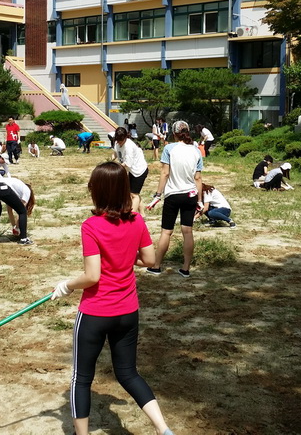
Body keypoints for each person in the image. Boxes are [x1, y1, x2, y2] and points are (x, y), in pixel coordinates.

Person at [50, 162, 174, 435]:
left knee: (81, 379)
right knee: (129, 373)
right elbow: (150, 260)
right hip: (128, 312)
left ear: (97, 191)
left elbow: (92, 276)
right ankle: (164, 429)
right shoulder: (137, 220)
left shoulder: (91, 225)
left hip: (96, 312)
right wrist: (127, 257)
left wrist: (67, 286)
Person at [146, 120, 203, 278]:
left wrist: (157, 195)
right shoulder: (196, 150)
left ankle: (156, 266)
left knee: (166, 232)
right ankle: (185, 269)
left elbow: (165, 173)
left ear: (174, 132)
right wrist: (199, 200)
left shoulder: (169, 148)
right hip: (191, 195)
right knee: (187, 231)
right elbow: (198, 178)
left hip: (173, 194)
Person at [0, 176, 35, 245]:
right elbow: (21, 211)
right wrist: (17, 228)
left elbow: (9, 210)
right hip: (2, 187)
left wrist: (14, 226)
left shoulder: (15, 188)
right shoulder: (27, 191)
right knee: (22, 211)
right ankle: (24, 239)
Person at [111, 126, 148, 213]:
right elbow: (115, 153)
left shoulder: (129, 147)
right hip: (131, 171)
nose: (119, 143)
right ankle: (142, 214)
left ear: (125, 138)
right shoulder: (117, 143)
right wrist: (111, 160)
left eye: (121, 140)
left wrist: (115, 168)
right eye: (117, 140)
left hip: (139, 171)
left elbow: (127, 164)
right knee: (132, 193)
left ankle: (132, 214)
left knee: (133, 194)